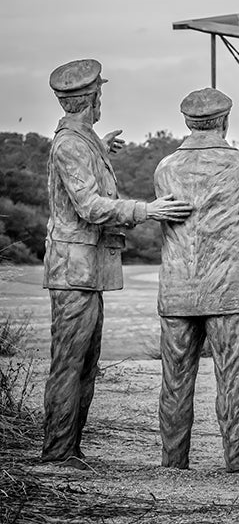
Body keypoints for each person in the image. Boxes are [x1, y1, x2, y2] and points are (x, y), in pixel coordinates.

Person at [42, 59, 193, 469]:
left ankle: (68, 449)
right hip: (74, 269)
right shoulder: (71, 144)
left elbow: (84, 180)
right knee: (70, 364)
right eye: (100, 94)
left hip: (87, 269)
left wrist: (100, 148)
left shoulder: (83, 139)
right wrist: (149, 210)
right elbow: (89, 207)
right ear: (91, 98)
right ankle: (57, 452)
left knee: (84, 364)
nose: (101, 98)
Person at [153, 88, 239, 473]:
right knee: (233, 375)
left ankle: (174, 460)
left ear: (188, 122)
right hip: (227, 290)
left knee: (175, 379)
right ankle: (238, 459)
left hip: (178, 288)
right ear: (224, 121)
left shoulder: (165, 167)